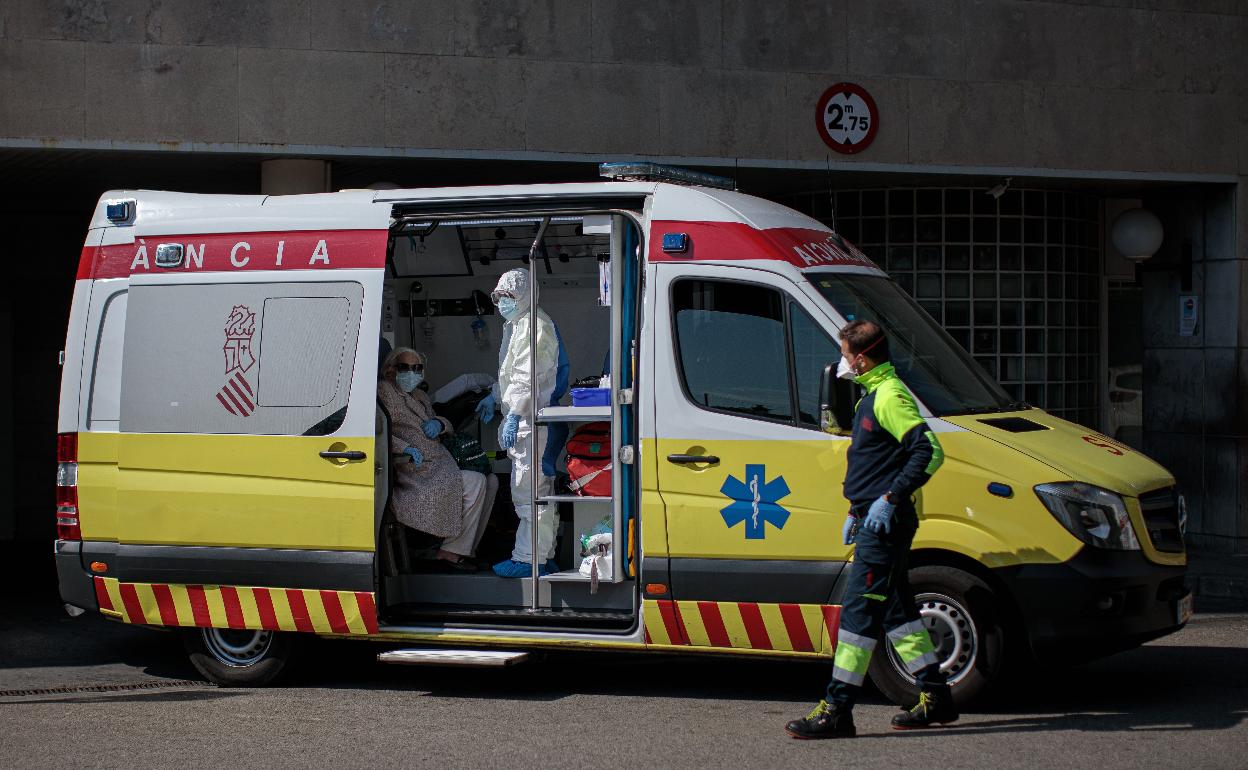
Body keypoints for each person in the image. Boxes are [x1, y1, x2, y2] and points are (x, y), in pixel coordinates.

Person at [786, 319, 954, 739]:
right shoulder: (873, 395)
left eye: (845, 355)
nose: (842, 363)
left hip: (885, 526)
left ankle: (837, 709)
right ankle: (935, 696)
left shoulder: (890, 397)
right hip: (873, 521)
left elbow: (929, 453)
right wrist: (857, 508)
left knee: (858, 618)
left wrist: (890, 499)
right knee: (899, 615)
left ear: (860, 358)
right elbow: (878, 463)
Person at [476, 268, 570, 578]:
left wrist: (515, 412)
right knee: (538, 491)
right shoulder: (519, 325)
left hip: (534, 420)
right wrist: (494, 396)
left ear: (526, 296)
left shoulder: (534, 326)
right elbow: (510, 372)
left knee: (529, 492)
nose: (503, 301)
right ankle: (543, 555)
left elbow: (529, 377)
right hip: (531, 420)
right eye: (499, 296)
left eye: (509, 296)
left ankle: (529, 559)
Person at [378, 347, 490, 572]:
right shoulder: (385, 392)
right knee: (476, 482)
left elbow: (435, 419)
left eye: (417, 368)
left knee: (492, 481)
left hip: (436, 465)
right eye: (405, 368)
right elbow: (378, 430)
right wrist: (405, 447)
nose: (412, 373)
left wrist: (439, 424)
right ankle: (449, 553)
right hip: (414, 472)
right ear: (391, 369)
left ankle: (464, 550)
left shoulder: (418, 395)